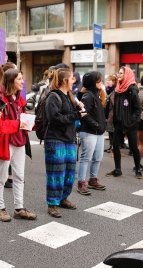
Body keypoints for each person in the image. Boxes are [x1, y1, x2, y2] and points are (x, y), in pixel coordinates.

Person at [44, 68, 86, 218]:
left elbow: (71, 114)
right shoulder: (53, 97)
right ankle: (53, 203)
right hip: (55, 139)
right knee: (56, 173)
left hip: (69, 139)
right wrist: (76, 115)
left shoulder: (69, 96)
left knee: (69, 172)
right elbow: (54, 118)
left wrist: (79, 108)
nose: (74, 80)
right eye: (72, 78)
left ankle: (63, 198)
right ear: (64, 80)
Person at [0, 69, 37, 222]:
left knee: (19, 176)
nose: (23, 81)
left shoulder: (18, 98)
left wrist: (31, 123)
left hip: (19, 140)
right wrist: (17, 124)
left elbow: (20, 117)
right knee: (1, 178)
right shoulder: (1, 99)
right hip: (5, 143)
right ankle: (1, 208)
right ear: (11, 81)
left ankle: (19, 208)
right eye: (20, 79)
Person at [106, 66, 142, 179]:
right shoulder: (118, 89)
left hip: (130, 125)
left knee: (134, 147)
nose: (119, 75)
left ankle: (138, 169)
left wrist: (131, 121)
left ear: (127, 75)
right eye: (119, 73)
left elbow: (138, 108)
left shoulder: (132, 89)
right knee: (115, 146)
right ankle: (118, 169)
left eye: (121, 73)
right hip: (119, 124)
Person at [76, 71, 106, 195]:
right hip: (89, 131)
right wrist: (96, 125)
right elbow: (83, 114)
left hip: (98, 132)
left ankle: (93, 179)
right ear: (93, 82)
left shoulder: (96, 94)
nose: (101, 83)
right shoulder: (87, 96)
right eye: (99, 81)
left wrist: (100, 126)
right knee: (86, 158)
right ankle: (81, 183)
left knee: (98, 157)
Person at [104, 74, 117, 153]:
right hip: (109, 114)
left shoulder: (114, 91)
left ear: (114, 82)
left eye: (110, 80)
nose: (108, 82)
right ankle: (111, 146)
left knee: (113, 131)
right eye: (107, 80)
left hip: (112, 114)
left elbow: (114, 103)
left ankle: (113, 147)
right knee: (110, 131)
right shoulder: (108, 90)